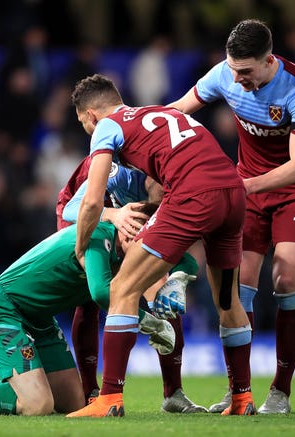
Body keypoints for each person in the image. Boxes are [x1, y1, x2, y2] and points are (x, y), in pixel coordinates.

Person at [66, 74, 253, 418]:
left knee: (122, 286)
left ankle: (109, 399)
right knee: (227, 300)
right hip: (234, 192)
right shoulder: (160, 114)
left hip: (193, 194)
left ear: (91, 115)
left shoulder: (109, 126)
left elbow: (91, 203)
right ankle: (242, 397)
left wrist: (80, 245)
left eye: (83, 124)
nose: (87, 131)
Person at [169, 19, 295, 414]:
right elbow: (177, 112)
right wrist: (134, 127)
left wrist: (246, 186)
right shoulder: (225, 73)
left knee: (286, 277)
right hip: (248, 187)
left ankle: (280, 391)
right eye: (232, 69)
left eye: (246, 72)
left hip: (294, 188)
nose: (236, 80)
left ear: (268, 60)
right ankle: (238, 389)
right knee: (237, 288)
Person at [0, 207, 176, 416]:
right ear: (127, 226)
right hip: (2, 308)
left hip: (39, 319)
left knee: (73, 402)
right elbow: (101, 294)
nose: (146, 243)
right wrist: (149, 322)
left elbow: (180, 251)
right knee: (36, 405)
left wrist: (184, 272)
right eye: (143, 233)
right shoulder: (98, 237)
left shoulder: (125, 254)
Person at [58, 157, 207, 413]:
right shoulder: (119, 170)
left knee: (162, 292)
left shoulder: (176, 180)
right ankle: (90, 391)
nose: (166, 196)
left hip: (130, 214)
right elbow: (73, 208)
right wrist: (113, 214)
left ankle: (174, 392)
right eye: (164, 190)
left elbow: (188, 252)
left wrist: (179, 277)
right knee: (91, 295)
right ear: (151, 176)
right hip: (91, 212)